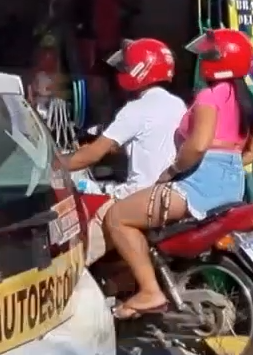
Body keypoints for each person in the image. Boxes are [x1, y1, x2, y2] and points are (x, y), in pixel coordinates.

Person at [107, 28, 253, 319]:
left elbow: (198, 145)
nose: (200, 61)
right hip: (233, 186)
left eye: (205, 55)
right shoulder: (247, 98)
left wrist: (172, 170)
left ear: (218, 60)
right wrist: (226, 165)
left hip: (197, 184)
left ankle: (150, 292)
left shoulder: (209, 96)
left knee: (117, 217)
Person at [65, 38, 185, 263]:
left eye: (127, 66)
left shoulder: (135, 109)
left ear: (140, 70)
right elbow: (152, 143)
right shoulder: (177, 104)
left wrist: (50, 165)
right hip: (169, 193)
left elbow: (90, 156)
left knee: (77, 253)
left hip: (138, 196)